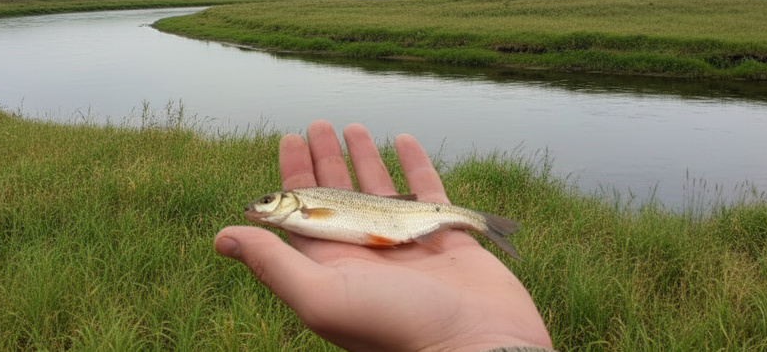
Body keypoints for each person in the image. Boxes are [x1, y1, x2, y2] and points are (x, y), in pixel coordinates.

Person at [214, 120, 555, 352]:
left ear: (289, 201)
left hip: (401, 220)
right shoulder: (297, 214)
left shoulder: (304, 206)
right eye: (264, 202)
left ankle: (479, 221)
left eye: (267, 201)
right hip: (390, 220)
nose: (260, 206)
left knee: (448, 219)